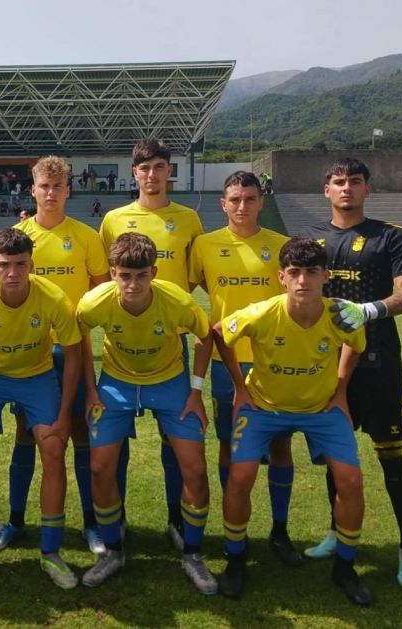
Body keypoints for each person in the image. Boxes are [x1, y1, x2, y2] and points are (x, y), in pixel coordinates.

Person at [213, 236, 371, 605]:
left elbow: (355, 343)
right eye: (295, 273)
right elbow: (221, 333)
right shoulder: (264, 312)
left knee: (351, 481)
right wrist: (241, 388)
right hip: (264, 407)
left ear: (325, 276)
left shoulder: (340, 314)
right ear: (281, 277)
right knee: (240, 476)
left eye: (311, 273)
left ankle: (345, 568)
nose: (303, 281)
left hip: (321, 410)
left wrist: (341, 390)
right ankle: (235, 560)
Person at [301, 158, 402, 589]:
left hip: (380, 364)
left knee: (391, 455)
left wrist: (369, 310)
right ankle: (336, 534)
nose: (346, 188)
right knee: (337, 458)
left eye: (355, 181)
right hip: (329, 368)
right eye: (338, 181)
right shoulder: (312, 239)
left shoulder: (390, 236)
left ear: (367, 189)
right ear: (326, 189)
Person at [77, 233, 215, 594]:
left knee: (196, 471)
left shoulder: (177, 301)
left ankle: (194, 554)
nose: (133, 284)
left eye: (141, 275)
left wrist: (196, 391)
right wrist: (91, 390)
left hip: (170, 385)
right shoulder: (94, 302)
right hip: (116, 385)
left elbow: (205, 336)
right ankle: (113, 550)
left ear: (154, 271)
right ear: (112, 273)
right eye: (125, 275)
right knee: (99, 468)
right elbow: (77, 335)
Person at [0, 228, 82, 591]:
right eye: (4, 265)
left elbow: (73, 354)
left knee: (54, 450)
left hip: (37, 376)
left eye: (20, 265)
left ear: (31, 265)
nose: (12, 273)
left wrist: (65, 412)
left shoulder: (53, 298)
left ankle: (51, 552)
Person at [0, 156, 110, 555]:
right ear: (33, 190)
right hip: (30, 351)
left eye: (59, 187)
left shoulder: (87, 237)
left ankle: (90, 524)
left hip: (72, 348)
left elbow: (99, 293)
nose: (51, 193)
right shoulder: (17, 235)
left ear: (68, 191)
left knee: (75, 431)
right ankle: (16, 521)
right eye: (44, 187)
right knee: (26, 432)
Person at [188, 171, 301, 567]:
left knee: (280, 445)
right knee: (229, 446)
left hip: (276, 362)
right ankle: (233, 528)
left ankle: (280, 530)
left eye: (249, 199)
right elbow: (197, 290)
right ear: (223, 203)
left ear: (260, 201)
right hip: (227, 362)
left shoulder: (282, 246)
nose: (242, 206)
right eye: (234, 199)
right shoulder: (204, 245)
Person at [99, 137, 203, 550]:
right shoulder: (114, 219)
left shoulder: (189, 220)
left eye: (160, 167)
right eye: (144, 168)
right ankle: (116, 521)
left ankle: (177, 520)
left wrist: (169, 309)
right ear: (134, 173)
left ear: (169, 171)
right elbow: (106, 278)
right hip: (123, 346)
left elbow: (193, 277)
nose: (152, 175)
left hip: (171, 343)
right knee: (114, 437)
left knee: (174, 440)